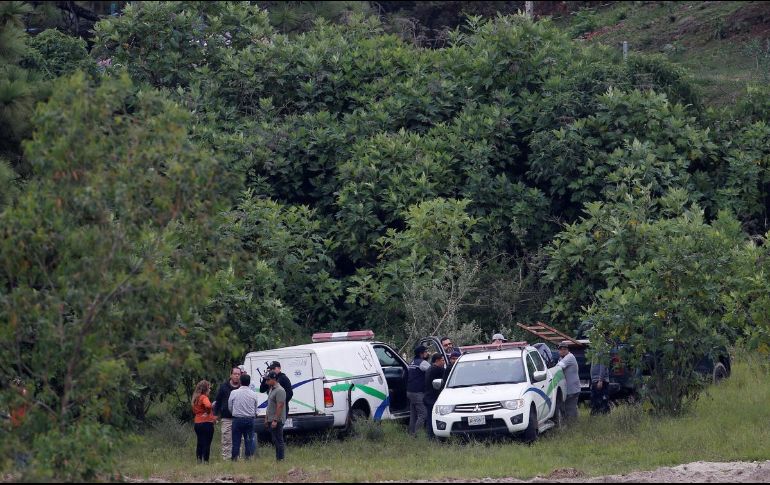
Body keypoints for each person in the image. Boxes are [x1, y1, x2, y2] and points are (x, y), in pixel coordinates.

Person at [228, 373, 259, 461]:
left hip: (237, 419)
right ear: (249, 383)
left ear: (240, 382)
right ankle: (248, 458)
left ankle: (234, 458)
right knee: (249, 439)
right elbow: (255, 407)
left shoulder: (234, 392)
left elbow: (230, 406)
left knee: (236, 440)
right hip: (249, 419)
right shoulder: (253, 394)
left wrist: (234, 413)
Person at [213, 366, 241, 460]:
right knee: (226, 439)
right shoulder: (224, 387)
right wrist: (215, 415)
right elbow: (218, 401)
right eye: (235, 374)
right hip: (226, 418)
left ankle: (237, 458)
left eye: (238, 374)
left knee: (238, 439)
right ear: (231, 375)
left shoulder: (242, 387)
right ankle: (226, 459)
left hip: (238, 418)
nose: (237, 376)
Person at [406, 345, 431, 436]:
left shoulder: (412, 362)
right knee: (423, 414)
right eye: (426, 352)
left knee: (413, 415)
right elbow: (432, 370)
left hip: (410, 391)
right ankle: (416, 434)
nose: (427, 353)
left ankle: (411, 433)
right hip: (417, 393)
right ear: (421, 354)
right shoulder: (423, 363)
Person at [264, 371, 288, 461]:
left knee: (279, 440)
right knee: (275, 439)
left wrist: (275, 420)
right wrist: (266, 418)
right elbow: (270, 405)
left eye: (268, 380)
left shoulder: (280, 390)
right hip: (270, 418)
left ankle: (280, 459)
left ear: (274, 379)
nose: (266, 382)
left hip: (276, 420)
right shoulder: (271, 388)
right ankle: (278, 458)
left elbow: (280, 405)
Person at [192, 380, 217, 463]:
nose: (210, 390)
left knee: (200, 442)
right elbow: (208, 405)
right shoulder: (204, 397)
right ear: (205, 389)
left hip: (197, 423)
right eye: (209, 388)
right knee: (207, 443)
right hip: (206, 423)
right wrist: (208, 412)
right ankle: (206, 461)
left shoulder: (196, 398)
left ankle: (199, 460)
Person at [556, 341, 581, 422]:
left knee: (570, 409)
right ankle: (574, 423)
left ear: (567, 350)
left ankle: (572, 426)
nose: (562, 351)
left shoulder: (569, 357)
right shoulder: (561, 358)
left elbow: (559, 367)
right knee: (570, 408)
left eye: (564, 349)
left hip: (572, 389)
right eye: (560, 349)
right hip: (569, 388)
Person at [423, 353, 446, 439]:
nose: (444, 362)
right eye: (442, 360)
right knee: (434, 418)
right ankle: (433, 437)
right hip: (432, 398)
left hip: (428, 397)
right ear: (437, 361)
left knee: (430, 418)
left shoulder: (430, 369)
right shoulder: (437, 370)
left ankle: (431, 436)